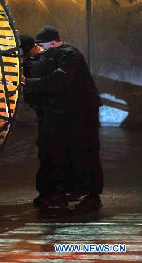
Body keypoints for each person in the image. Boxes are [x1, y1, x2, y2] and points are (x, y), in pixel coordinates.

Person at [24, 26, 104, 210]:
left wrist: (28, 83)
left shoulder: (68, 54)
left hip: (82, 111)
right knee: (66, 151)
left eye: (42, 45)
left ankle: (91, 194)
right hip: (67, 112)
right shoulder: (54, 55)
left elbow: (60, 80)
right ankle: (69, 190)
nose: (40, 50)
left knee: (85, 151)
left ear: (52, 42)